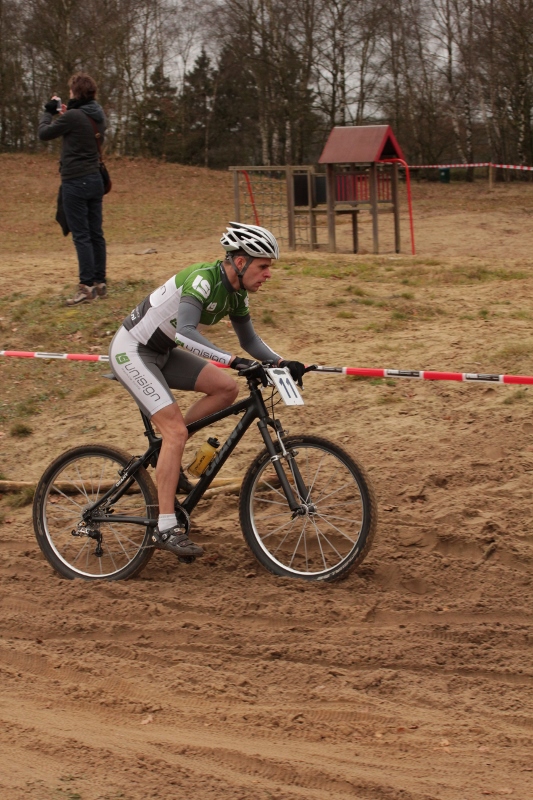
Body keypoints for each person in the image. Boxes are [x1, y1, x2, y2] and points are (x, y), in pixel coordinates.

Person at [109, 222, 307, 559]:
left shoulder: (237, 293)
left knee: (225, 389)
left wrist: (281, 362)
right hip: (132, 351)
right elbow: (185, 333)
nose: (268, 274)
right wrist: (235, 361)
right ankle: (165, 527)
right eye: (263, 266)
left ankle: (167, 454)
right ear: (240, 262)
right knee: (175, 431)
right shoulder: (203, 280)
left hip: (162, 351)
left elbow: (249, 341)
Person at [38, 72, 107, 306]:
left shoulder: (74, 116)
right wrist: (69, 114)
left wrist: (48, 112)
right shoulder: (97, 114)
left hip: (75, 181)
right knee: (96, 233)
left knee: (82, 235)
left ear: (76, 93)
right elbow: (83, 130)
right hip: (95, 179)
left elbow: (44, 133)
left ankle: (85, 287)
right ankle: (99, 282)